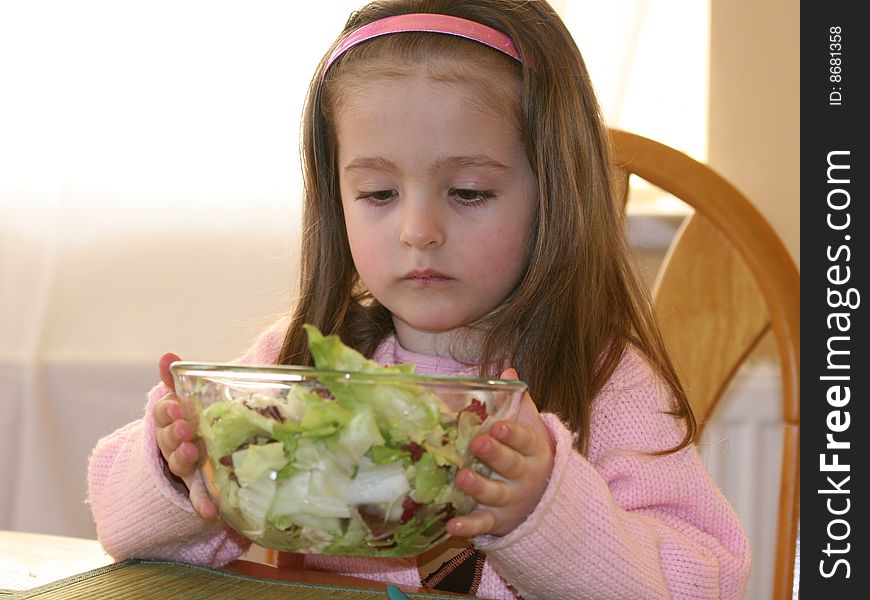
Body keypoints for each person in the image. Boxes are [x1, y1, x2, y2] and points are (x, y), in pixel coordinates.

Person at [87, 1, 751, 598]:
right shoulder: (297, 366)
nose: (418, 230)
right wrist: (180, 468)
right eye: (379, 194)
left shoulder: (610, 386)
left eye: (467, 192)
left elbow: (702, 583)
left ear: (553, 194)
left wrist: (544, 509)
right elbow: (127, 534)